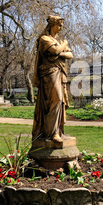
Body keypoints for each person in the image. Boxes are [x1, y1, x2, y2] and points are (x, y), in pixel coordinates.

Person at [32, 15, 73, 143]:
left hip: (59, 73)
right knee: (55, 99)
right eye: (59, 25)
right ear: (52, 25)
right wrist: (64, 45)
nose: (61, 28)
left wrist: (59, 53)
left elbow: (69, 55)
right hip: (49, 74)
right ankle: (51, 133)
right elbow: (55, 50)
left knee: (60, 102)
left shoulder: (57, 40)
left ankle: (58, 131)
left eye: (62, 25)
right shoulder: (44, 39)